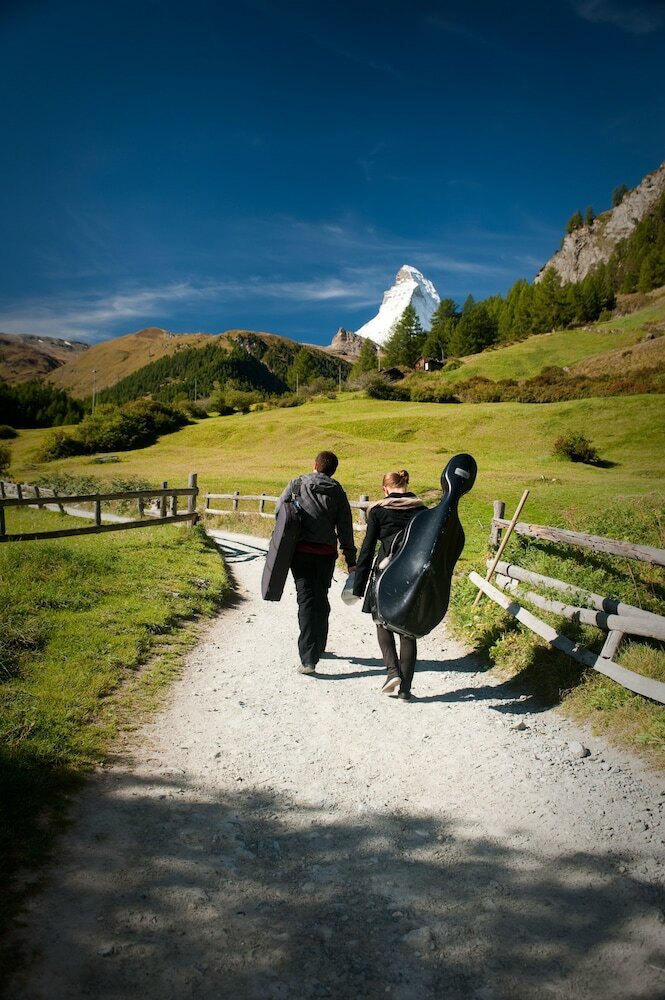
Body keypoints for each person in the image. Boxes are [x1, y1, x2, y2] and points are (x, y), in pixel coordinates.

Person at [277, 451, 357, 675]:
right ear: (333, 470)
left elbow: (279, 511)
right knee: (320, 596)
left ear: (314, 465)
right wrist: (351, 559)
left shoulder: (297, 484)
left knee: (306, 600)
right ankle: (319, 644)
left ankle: (308, 659)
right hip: (326, 554)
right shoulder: (337, 491)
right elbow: (345, 527)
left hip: (300, 552)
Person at [353, 469, 426, 700]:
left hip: (384, 573)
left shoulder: (378, 510)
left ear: (385, 488)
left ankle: (392, 671)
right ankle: (406, 690)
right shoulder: (422, 510)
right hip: (411, 575)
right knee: (408, 629)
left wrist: (358, 584)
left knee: (381, 622)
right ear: (406, 484)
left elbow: (367, 548)